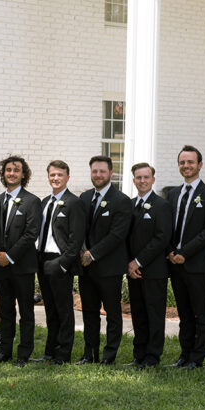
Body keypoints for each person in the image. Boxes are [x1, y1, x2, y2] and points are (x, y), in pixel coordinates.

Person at [166, 146, 205, 369]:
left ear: (200, 165)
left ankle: (197, 358)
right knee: (184, 314)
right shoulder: (173, 194)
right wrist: (170, 251)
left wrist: (185, 252)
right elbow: (167, 226)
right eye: (182, 162)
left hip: (196, 263)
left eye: (190, 162)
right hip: (174, 263)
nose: (186, 166)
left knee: (201, 314)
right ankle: (184, 355)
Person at [77, 155, 132, 365]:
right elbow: (79, 229)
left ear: (110, 173)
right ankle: (89, 355)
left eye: (102, 171)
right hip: (86, 268)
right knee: (89, 313)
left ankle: (109, 357)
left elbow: (117, 235)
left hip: (109, 268)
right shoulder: (84, 197)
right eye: (94, 171)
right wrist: (82, 252)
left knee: (112, 314)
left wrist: (92, 254)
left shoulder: (121, 200)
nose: (98, 175)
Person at [0, 155, 42, 366]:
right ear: (4, 174)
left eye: (16, 170)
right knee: (5, 312)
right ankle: (4, 352)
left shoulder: (32, 201)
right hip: (0, 266)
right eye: (8, 170)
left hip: (22, 267)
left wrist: (9, 256)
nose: (12, 173)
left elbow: (31, 234)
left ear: (23, 174)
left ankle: (23, 354)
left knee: (26, 313)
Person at [36, 160, 86, 366]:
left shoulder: (74, 203)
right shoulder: (44, 202)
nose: (55, 178)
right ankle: (50, 351)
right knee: (50, 309)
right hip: (42, 259)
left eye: (59, 175)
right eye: (52, 175)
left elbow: (76, 239)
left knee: (63, 310)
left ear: (67, 177)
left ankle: (63, 353)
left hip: (60, 261)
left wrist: (64, 264)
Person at [125, 162, 171, 369]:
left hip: (153, 270)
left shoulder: (161, 205)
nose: (142, 181)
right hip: (133, 271)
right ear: (133, 180)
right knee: (138, 314)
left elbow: (161, 238)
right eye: (138, 177)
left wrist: (138, 261)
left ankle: (152, 357)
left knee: (154, 315)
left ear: (153, 179)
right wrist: (129, 264)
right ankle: (139, 354)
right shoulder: (130, 204)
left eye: (146, 177)